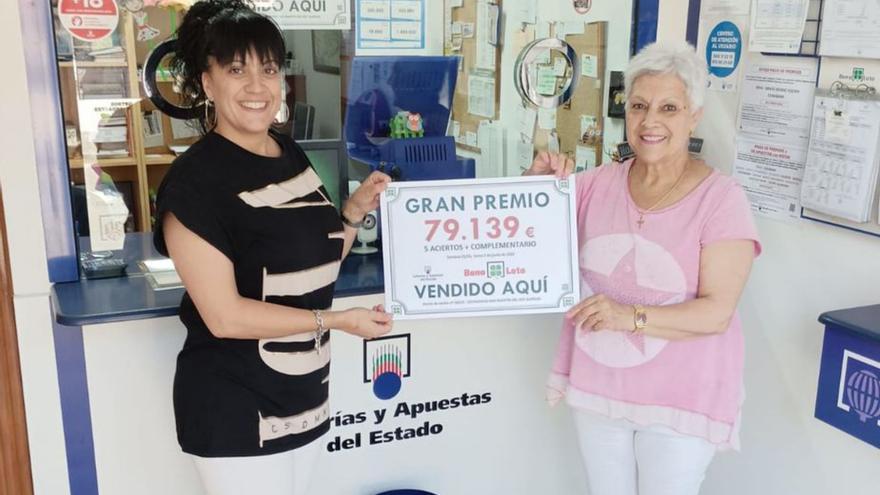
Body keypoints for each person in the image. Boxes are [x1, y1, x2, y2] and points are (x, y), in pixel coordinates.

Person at [152, 1, 393, 494]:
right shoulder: (193, 184)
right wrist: (337, 322)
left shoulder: (288, 153)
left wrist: (352, 213)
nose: (257, 86)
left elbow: (316, 265)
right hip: (235, 410)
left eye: (268, 68)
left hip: (303, 396)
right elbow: (226, 317)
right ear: (207, 81)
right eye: (236, 70)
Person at [526, 41, 761, 495]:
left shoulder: (722, 200)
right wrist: (534, 188)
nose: (650, 121)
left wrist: (627, 316)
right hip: (601, 387)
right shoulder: (595, 184)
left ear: (693, 115)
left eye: (668, 107)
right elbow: (524, 240)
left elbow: (716, 313)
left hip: (681, 398)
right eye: (638, 106)